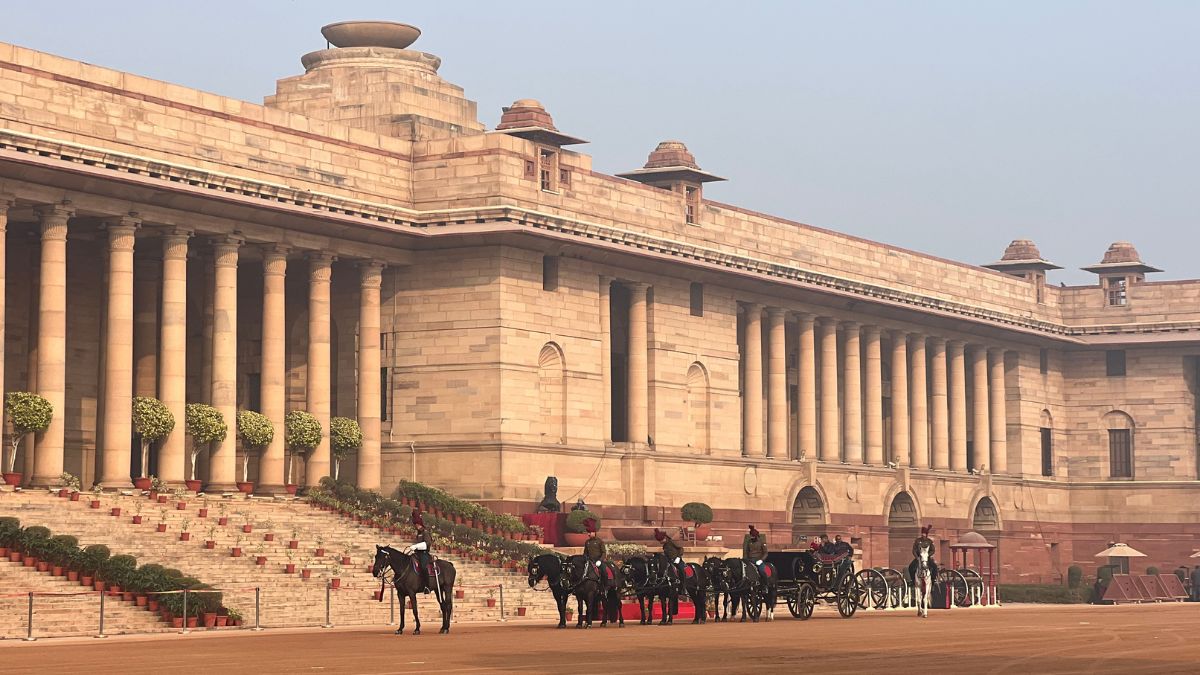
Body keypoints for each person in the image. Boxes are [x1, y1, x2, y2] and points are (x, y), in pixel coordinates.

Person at [404, 510, 435, 593]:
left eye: (417, 524)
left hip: (424, 554)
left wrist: (416, 546)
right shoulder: (418, 533)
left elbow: (427, 543)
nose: (416, 526)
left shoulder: (425, 532)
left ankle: (427, 586)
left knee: (424, 567)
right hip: (417, 553)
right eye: (415, 525)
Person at [582, 517, 608, 590]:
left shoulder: (599, 541)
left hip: (598, 561)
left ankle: (605, 587)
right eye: (588, 532)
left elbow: (604, 552)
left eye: (590, 532)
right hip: (590, 562)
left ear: (594, 532)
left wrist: (600, 560)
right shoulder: (587, 542)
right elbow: (585, 553)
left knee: (604, 571)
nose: (588, 534)